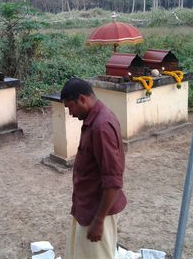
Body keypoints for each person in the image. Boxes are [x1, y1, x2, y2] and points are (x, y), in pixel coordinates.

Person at [61, 78, 127, 259]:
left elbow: (113, 181)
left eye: (70, 107)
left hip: (98, 213)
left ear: (82, 99)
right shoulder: (95, 119)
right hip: (87, 206)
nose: (70, 113)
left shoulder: (101, 127)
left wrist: (98, 221)